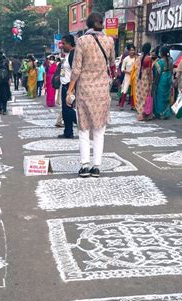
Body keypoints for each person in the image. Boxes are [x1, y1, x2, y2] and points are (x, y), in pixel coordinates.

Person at [67, 12, 115, 177]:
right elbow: (112, 63)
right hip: (102, 91)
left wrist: (70, 89)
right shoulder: (109, 41)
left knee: (84, 129)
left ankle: (85, 166)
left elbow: (76, 69)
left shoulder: (82, 41)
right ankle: (96, 167)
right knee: (99, 130)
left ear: (87, 24)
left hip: (85, 91)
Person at [60, 35, 77, 139]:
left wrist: (72, 88)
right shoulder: (68, 55)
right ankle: (68, 131)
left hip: (69, 86)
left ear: (70, 43)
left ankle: (82, 122)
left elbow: (75, 72)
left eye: (64, 43)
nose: (62, 46)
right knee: (65, 110)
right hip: (65, 85)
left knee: (68, 110)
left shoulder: (73, 55)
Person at [152, 46, 173, 119]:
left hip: (162, 79)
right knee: (166, 96)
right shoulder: (170, 60)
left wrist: (155, 83)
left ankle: (160, 113)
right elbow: (172, 71)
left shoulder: (159, 62)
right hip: (168, 78)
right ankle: (166, 113)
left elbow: (157, 74)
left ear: (161, 53)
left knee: (160, 96)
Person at [135, 43, 154, 121]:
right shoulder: (148, 58)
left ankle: (140, 113)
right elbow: (149, 71)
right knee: (146, 97)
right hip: (145, 80)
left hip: (139, 80)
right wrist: (151, 81)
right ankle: (145, 114)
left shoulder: (139, 58)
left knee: (140, 97)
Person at [119, 45, 137, 109]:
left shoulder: (136, 59)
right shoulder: (126, 59)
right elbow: (122, 69)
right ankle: (121, 105)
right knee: (125, 90)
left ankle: (133, 105)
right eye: (131, 50)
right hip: (127, 76)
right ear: (128, 51)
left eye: (133, 50)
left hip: (134, 77)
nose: (132, 51)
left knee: (133, 91)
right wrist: (128, 72)